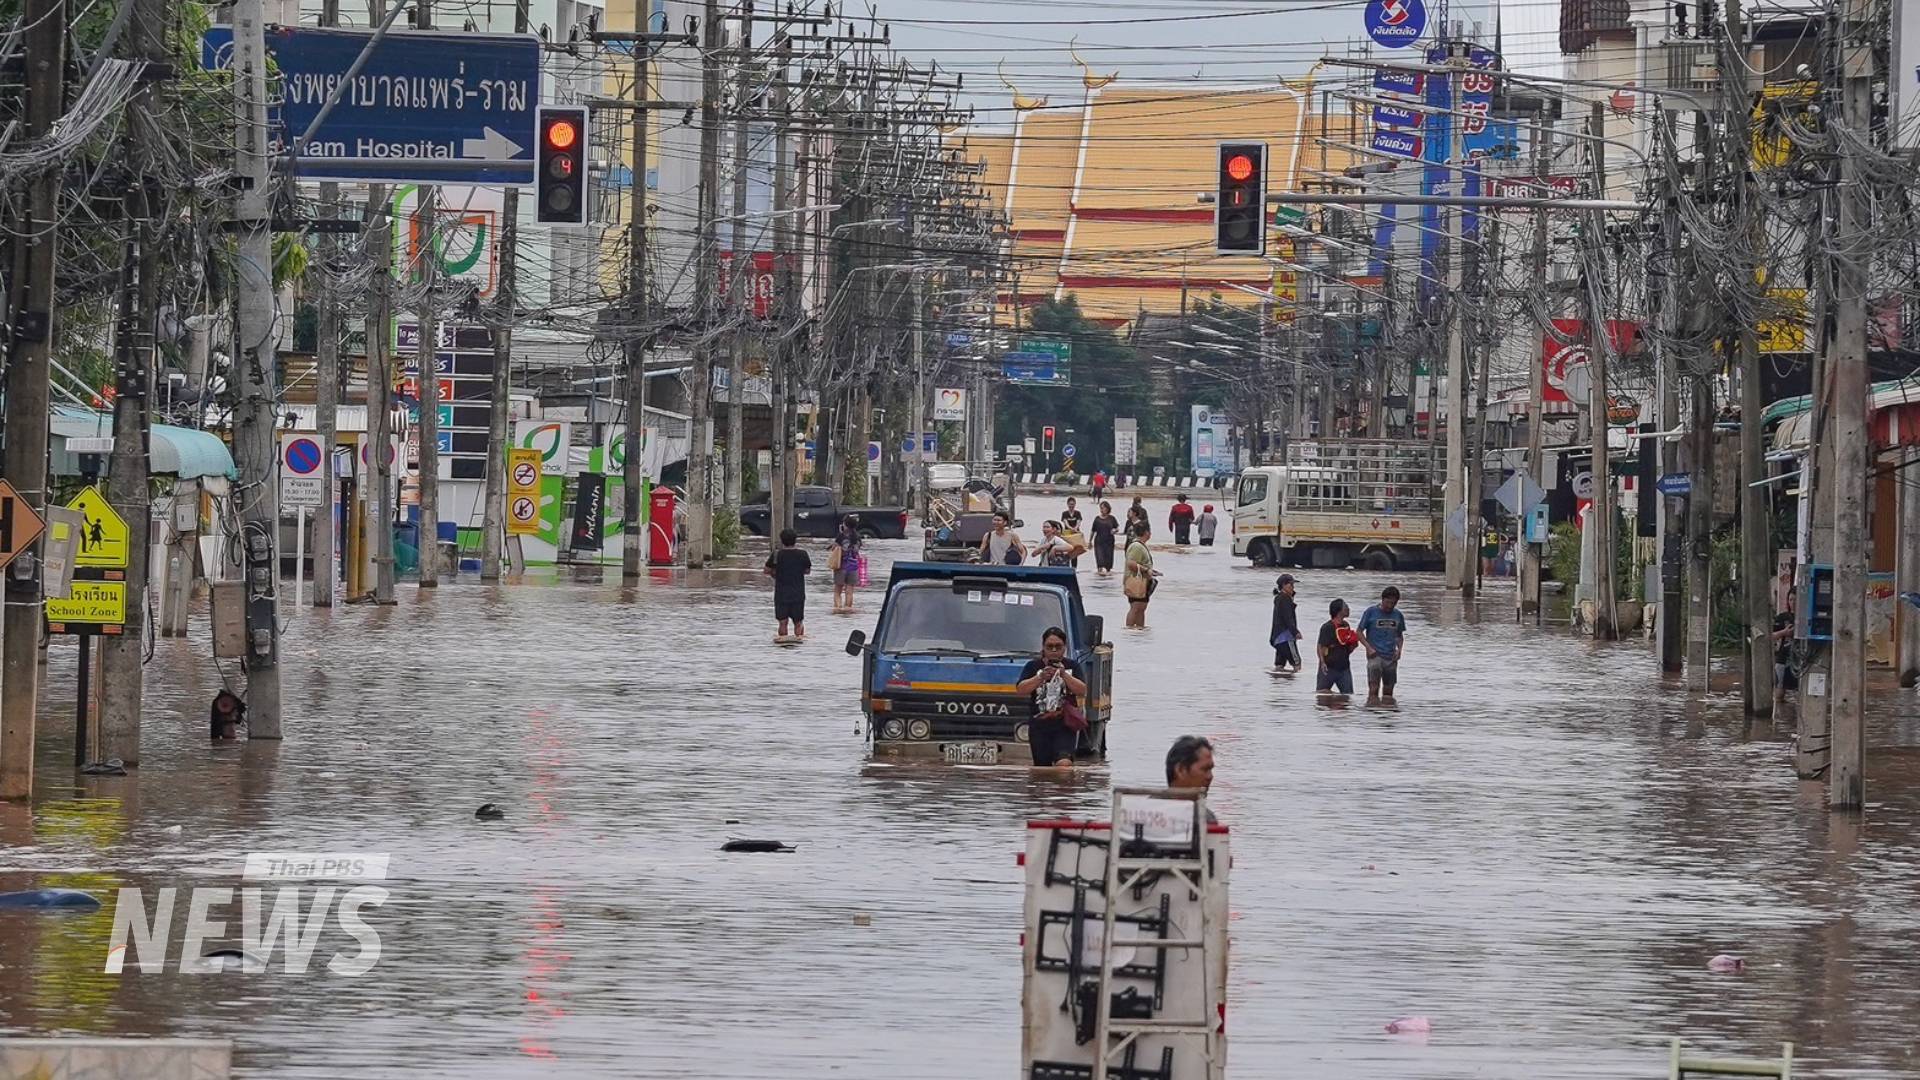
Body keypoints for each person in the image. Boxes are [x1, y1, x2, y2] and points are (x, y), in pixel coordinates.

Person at [1015, 627, 1089, 767]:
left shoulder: (1072, 666)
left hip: (1065, 725)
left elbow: (1082, 690)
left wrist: (1064, 675)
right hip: (1039, 725)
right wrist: (1040, 677)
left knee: (1064, 764)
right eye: (1050, 646)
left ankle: (1064, 787)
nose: (1054, 650)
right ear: (1043, 647)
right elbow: (1021, 689)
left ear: (1064, 648)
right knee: (1042, 768)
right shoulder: (1033, 666)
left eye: (1058, 646)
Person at [1356, 586, 1408, 703]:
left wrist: (1399, 650)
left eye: (1393, 603)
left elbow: (1399, 636)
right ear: (1383, 600)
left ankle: (1387, 716)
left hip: (1391, 657)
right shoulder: (1371, 612)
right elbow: (1359, 632)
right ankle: (1373, 712)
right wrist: (1368, 648)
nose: (1390, 606)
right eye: (1388, 602)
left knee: (1389, 692)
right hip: (1375, 655)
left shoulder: (1398, 615)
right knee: (1374, 689)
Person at [763, 528, 812, 641]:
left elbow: (766, 570)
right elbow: (807, 571)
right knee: (798, 622)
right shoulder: (803, 554)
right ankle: (799, 644)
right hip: (798, 593)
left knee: (782, 622)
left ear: (781, 540)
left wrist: (775, 575)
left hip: (781, 594)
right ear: (795, 540)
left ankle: (782, 644)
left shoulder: (776, 555)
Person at [1316, 598, 1357, 696]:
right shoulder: (1327, 627)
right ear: (1339, 610)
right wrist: (1322, 662)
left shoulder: (1346, 625)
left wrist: (1353, 645)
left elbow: (1346, 646)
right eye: (1346, 606)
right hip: (1328, 667)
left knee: (1348, 696)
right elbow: (1320, 646)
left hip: (1344, 668)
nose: (1348, 609)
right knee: (1322, 695)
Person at [1124, 523, 1159, 629]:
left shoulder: (1140, 545)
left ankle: (1139, 630)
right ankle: (1130, 629)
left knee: (1141, 608)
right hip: (1136, 582)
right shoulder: (1137, 546)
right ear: (1146, 533)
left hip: (1142, 582)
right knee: (1136, 607)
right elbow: (1131, 564)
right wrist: (1146, 570)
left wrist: (1151, 571)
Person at [830, 516, 861, 614]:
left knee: (837, 590)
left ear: (846, 525)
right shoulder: (857, 536)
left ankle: (838, 609)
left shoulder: (841, 536)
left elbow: (834, 548)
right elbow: (857, 550)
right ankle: (848, 609)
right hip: (853, 566)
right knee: (850, 590)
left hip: (841, 565)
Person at [1270, 573, 1301, 672]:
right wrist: (1295, 632)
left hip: (1277, 638)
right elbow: (1288, 618)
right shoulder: (1285, 599)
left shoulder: (1279, 598)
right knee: (1297, 663)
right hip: (1286, 637)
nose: (1293, 587)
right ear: (1283, 585)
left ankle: (1280, 686)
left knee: (1279, 665)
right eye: (1291, 585)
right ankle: (1295, 686)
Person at [1089, 501, 1120, 576]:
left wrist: (1115, 530)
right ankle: (1100, 574)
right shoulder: (1097, 519)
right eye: (1101, 508)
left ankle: (1108, 575)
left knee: (1108, 559)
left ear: (1107, 508)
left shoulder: (1112, 518)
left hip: (1109, 542)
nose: (1102, 510)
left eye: (1103, 508)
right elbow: (1093, 531)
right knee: (1100, 559)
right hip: (1099, 541)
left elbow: (1117, 527)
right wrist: (1090, 541)